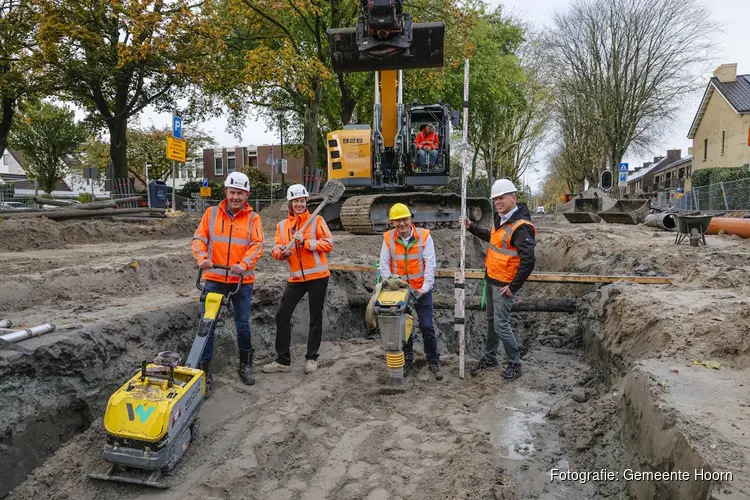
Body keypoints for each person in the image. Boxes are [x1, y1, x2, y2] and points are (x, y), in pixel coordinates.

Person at [191, 171, 264, 390]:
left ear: (247, 195)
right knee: (208, 326)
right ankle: (204, 371)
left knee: (242, 324)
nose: (236, 197)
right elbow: (199, 239)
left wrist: (244, 264)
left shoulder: (254, 218)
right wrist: (202, 258)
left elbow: (257, 244)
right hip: (214, 278)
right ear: (226, 192)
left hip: (242, 281)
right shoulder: (211, 214)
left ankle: (246, 365)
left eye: (240, 194)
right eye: (232, 192)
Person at [466, 178, 536, 380]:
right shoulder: (501, 218)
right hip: (491, 279)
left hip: (504, 285)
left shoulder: (521, 227)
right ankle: (490, 357)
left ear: (513, 198)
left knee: (501, 324)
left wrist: (513, 287)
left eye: (502, 198)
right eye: (495, 199)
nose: (498, 202)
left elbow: (529, 260)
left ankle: (515, 363)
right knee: (490, 321)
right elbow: (495, 239)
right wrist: (472, 227)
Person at [262, 184, 333, 375]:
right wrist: (281, 253)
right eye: (296, 201)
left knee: (315, 317)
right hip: (296, 277)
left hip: (318, 276)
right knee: (282, 314)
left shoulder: (316, 220)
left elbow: (328, 243)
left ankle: (311, 358)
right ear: (290, 203)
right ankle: (282, 360)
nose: (299, 204)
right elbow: (276, 248)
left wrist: (306, 242)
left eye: (302, 201)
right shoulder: (282, 226)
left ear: (306, 201)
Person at [379, 202, 443, 380]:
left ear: (410, 219)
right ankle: (407, 359)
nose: (401, 224)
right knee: (402, 328)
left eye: (404, 219)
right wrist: (391, 283)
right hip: (399, 292)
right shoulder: (388, 238)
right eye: (397, 221)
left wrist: (425, 287)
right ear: (392, 223)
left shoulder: (424, 236)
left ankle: (433, 361)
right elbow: (384, 264)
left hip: (421, 289)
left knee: (427, 326)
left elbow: (430, 264)